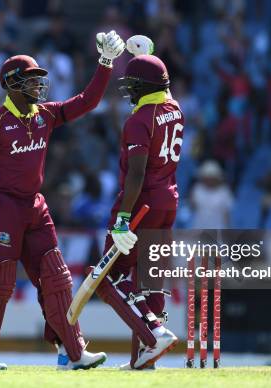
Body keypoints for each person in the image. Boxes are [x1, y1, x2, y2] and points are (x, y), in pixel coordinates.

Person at [0, 31, 125, 370]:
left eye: (38, 80)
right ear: (11, 84)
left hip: (34, 206)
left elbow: (87, 101)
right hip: (2, 207)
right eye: (30, 80)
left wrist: (105, 64)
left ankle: (72, 353)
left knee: (57, 277)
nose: (39, 86)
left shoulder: (45, 114)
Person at [95, 54, 183, 370]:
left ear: (145, 86)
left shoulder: (138, 120)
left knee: (107, 279)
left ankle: (153, 332)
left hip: (139, 205)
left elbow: (136, 174)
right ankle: (143, 361)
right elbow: (164, 89)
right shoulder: (175, 110)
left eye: (133, 84)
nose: (129, 90)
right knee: (151, 280)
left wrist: (122, 219)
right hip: (168, 202)